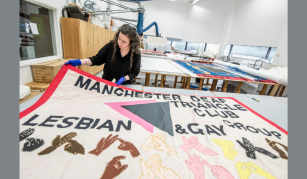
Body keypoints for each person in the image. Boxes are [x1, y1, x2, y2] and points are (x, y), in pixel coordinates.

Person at [64, 24, 141, 86]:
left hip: (125, 86)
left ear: (131, 43)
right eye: (119, 39)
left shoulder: (136, 54)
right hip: (106, 83)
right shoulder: (111, 46)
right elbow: (96, 59)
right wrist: (79, 61)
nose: (119, 43)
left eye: (124, 42)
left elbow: (135, 72)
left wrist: (124, 78)